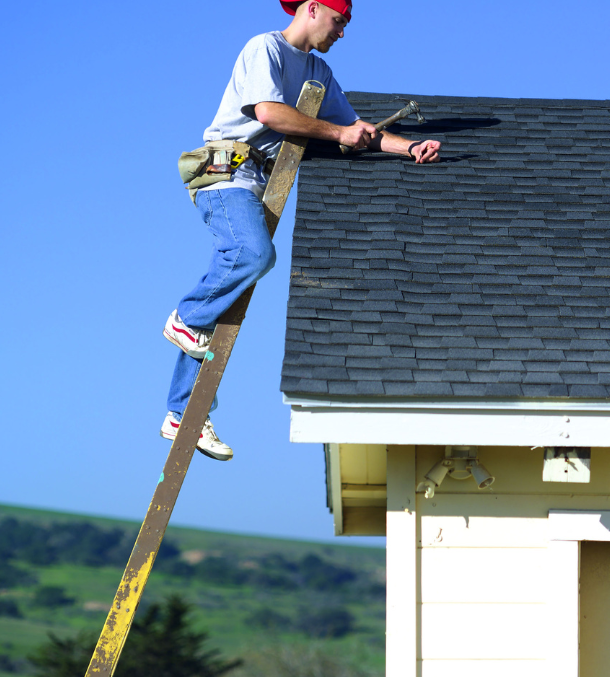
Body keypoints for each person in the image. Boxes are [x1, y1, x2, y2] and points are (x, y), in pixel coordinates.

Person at [160, 0, 441, 461]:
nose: (342, 33)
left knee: (224, 302)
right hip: (226, 174)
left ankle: (180, 414)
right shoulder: (265, 48)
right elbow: (269, 112)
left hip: (258, 182)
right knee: (253, 256)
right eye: (340, 21)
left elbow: (354, 129)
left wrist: (409, 147)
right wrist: (337, 134)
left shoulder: (318, 73)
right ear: (312, 9)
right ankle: (184, 317)